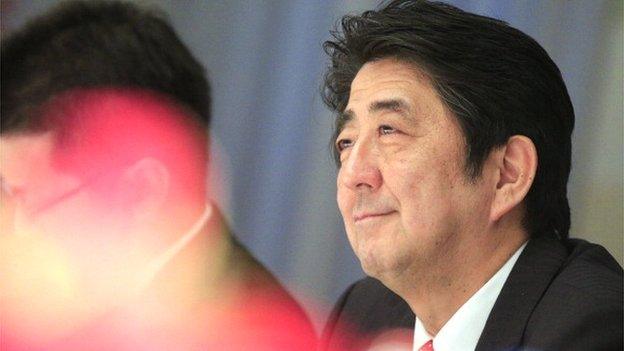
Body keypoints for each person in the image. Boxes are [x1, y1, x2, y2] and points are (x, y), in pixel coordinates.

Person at [0, 1, 314, 350]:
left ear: (141, 190)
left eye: (28, 198)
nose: (17, 230)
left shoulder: (252, 333)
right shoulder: (69, 297)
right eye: (7, 195)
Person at [319, 1, 623, 350]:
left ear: (507, 174)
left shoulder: (592, 326)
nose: (353, 175)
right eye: (346, 142)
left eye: (389, 130)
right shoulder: (362, 314)